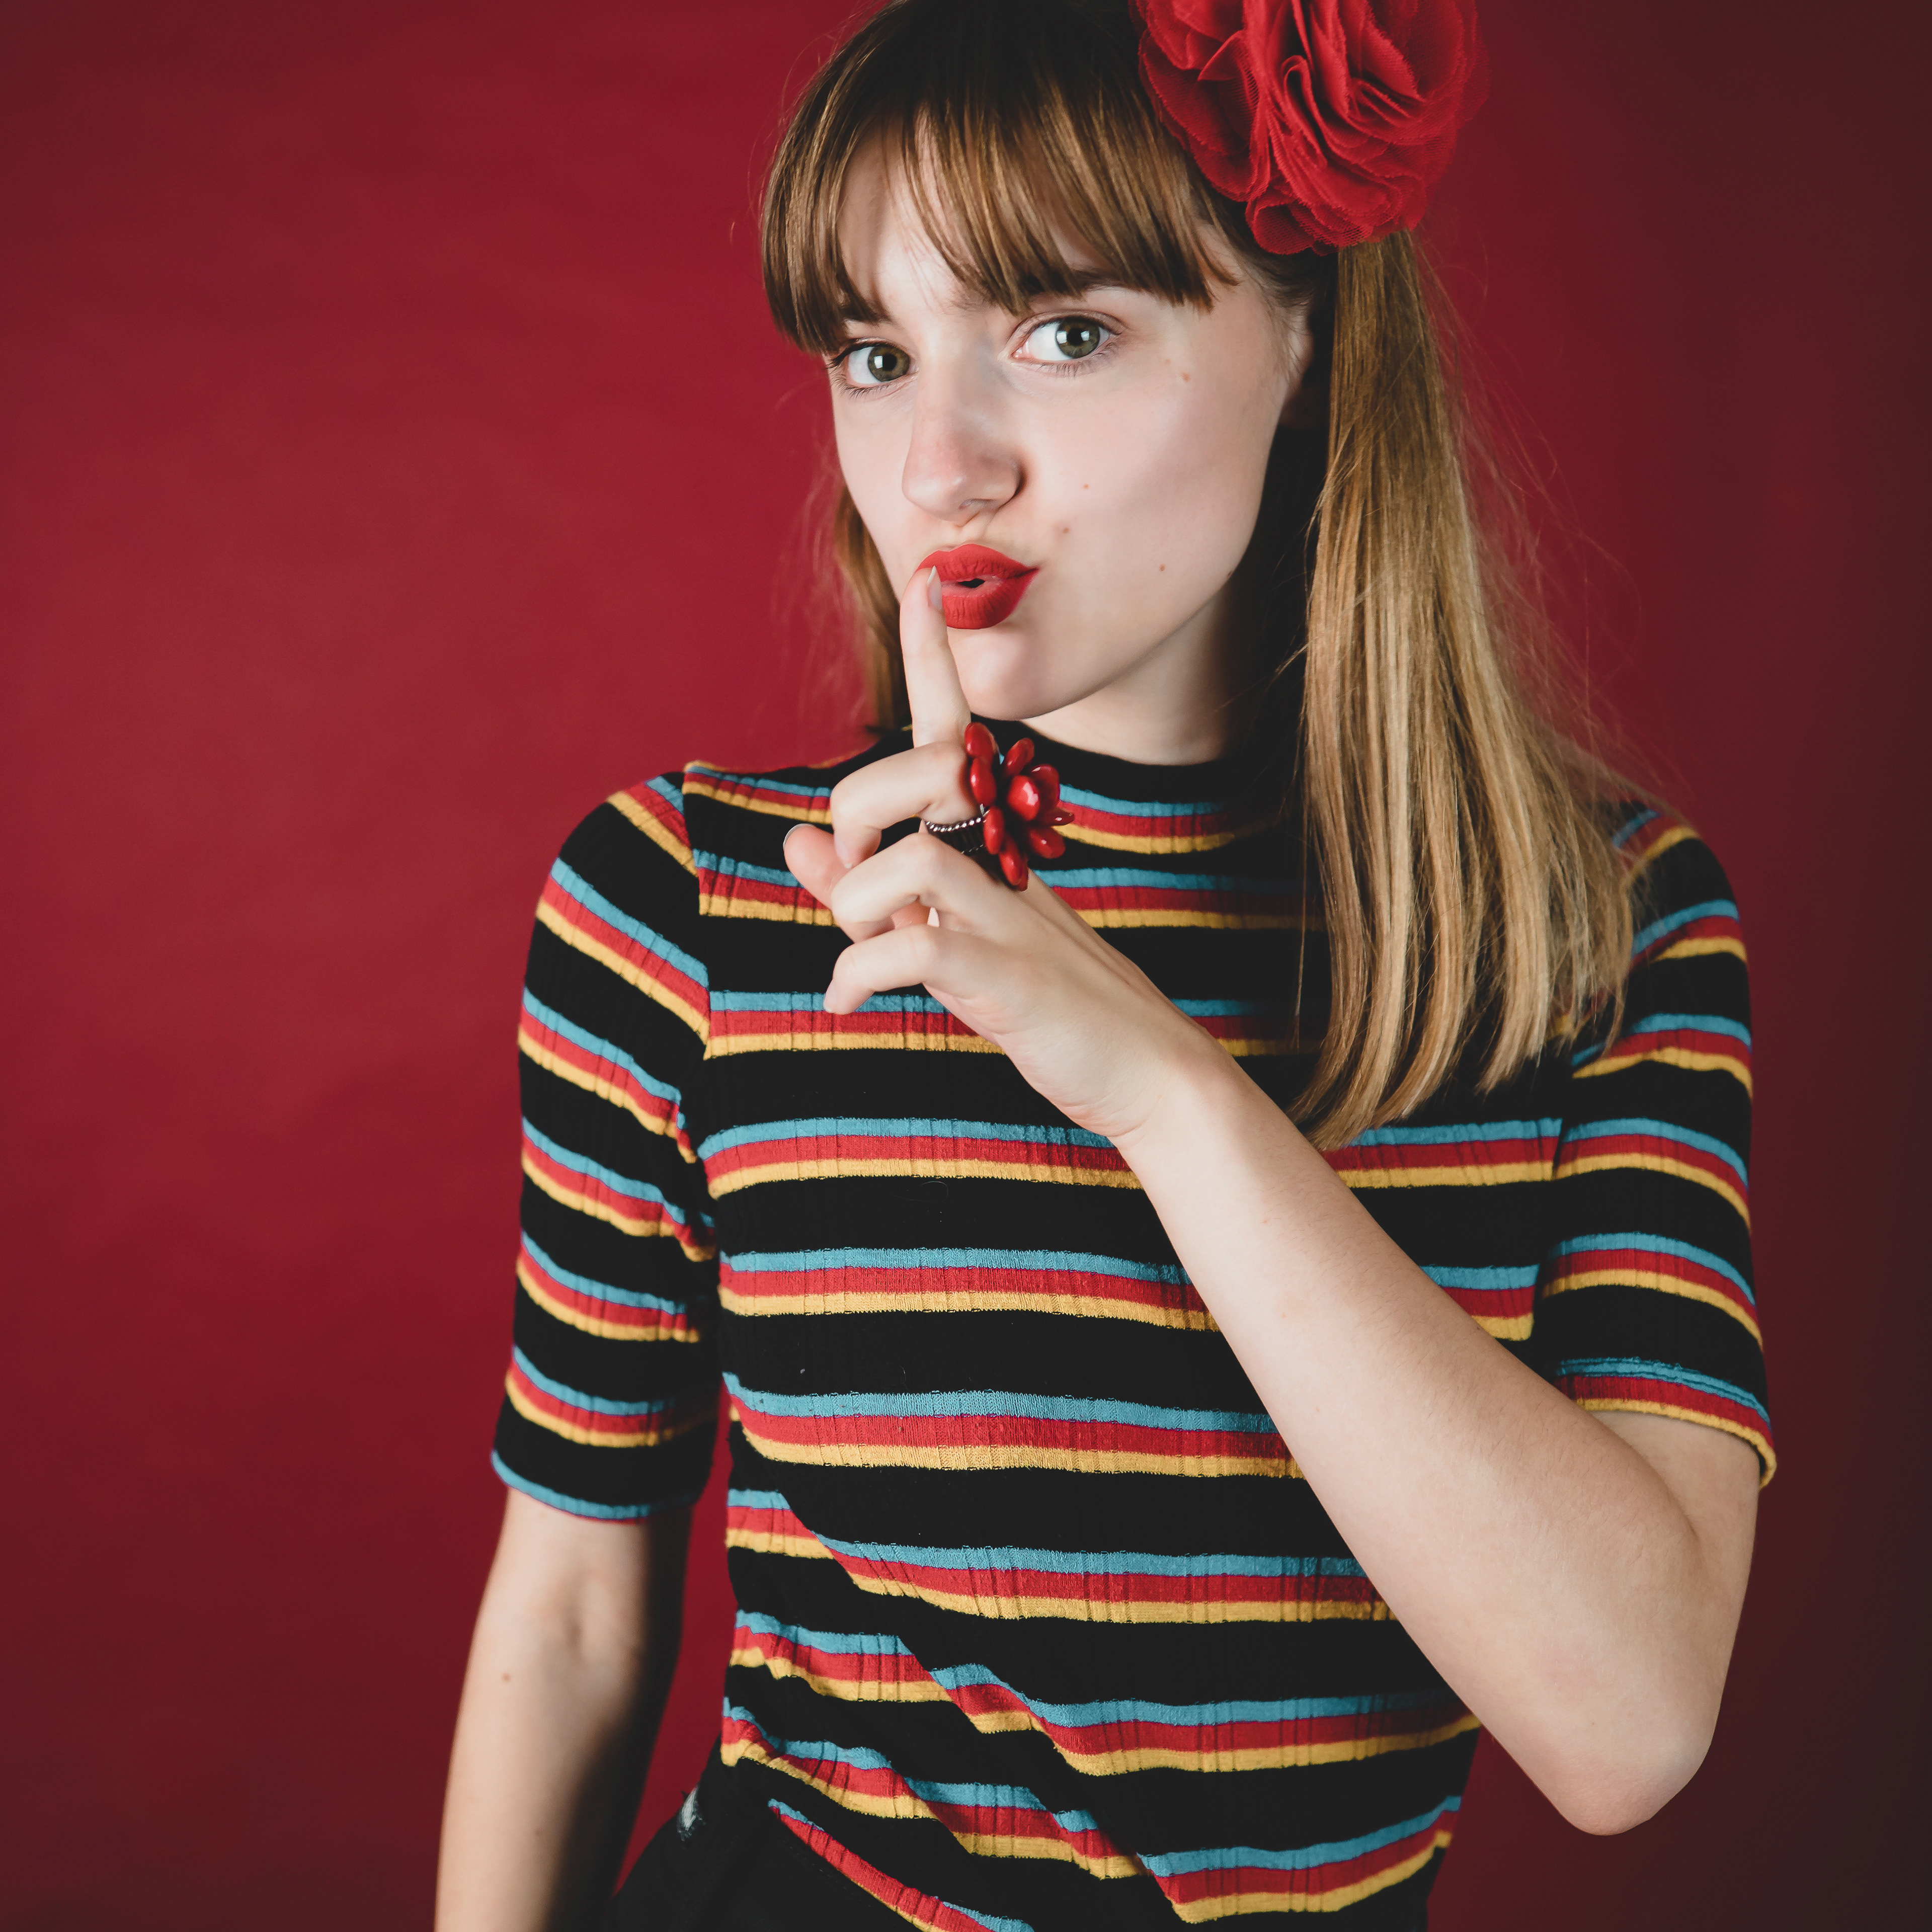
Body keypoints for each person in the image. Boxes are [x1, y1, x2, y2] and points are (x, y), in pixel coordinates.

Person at [434, 2, 1772, 1926]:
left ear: (1306, 342)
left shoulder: (1601, 934)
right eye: (875, 353)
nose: (940, 466)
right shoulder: (696, 907)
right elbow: (570, 1615)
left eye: (1064, 331)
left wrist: (1160, 1089)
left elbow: (1627, 1725)